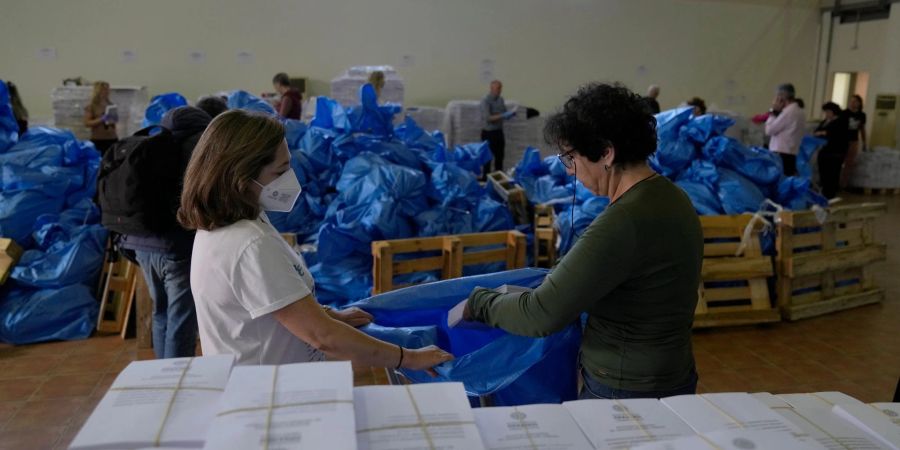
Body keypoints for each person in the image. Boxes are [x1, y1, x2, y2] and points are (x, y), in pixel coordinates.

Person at [462, 83, 704, 400]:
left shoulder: (623, 221)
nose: (571, 172)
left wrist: (479, 302)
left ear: (605, 152)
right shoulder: (673, 198)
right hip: (672, 374)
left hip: (625, 386)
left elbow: (540, 314)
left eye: (570, 158)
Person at [178, 109, 454, 370]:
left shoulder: (226, 227)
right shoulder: (251, 245)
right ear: (242, 177)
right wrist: (407, 357)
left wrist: (328, 315)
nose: (290, 178)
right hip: (265, 392)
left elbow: (272, 305)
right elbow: (323, 337)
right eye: (280, 171)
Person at [120, 106, 211, 358]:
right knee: (181, 319)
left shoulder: (151, 145)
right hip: (176, 246)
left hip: (141, 244)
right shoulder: (197, 149)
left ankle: (164, 373)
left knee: (161, 312)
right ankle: (177, 380)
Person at [764, 83, 806, 176]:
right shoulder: (800, 111)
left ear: (781, 97)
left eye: (777, 97)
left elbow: (769, 130)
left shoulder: (788, 112)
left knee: (780, 183)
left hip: (781, 154)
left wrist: (773, 111)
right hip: (791, 153)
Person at [814, 102, 849, 199]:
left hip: (835, 152)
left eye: (828, 111)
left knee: (833, 174)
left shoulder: (841, 121)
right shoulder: (825, 121)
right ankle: (824, 192)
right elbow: (817, 131)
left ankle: (830, 194)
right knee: (823, 172)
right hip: (824, 151)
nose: (826, 114)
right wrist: (822, 133)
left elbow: (833, 134)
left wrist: (824, 133)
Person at [480, 80, 516, 176]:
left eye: (500, 88)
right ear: (491, 88)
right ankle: (485, 178)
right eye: (497, 88)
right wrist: (503, 115)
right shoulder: (485, 100)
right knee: (487, 158)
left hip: (498, 131)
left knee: (500, 156)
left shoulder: (501, 100)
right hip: (488, 132)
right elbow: (488, 118)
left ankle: (498, 178)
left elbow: (503, 113)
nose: (499, 90)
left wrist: (509, 115)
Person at [83, 81, 118, 156]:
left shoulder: (111, 105)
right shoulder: (92, 107)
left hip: (112, 138)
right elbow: (87, 123)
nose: (106, 92)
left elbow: (114, 124)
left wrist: (113, 120)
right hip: (99, 139)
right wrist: (101, 119)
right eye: (104, 89)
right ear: (98, 91)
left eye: (107, 89)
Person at [843, 94, 867, 188]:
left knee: (849, 163)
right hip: (843, 140)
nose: (853, 103)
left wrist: (864, 142)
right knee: (841, 160)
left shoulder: (862, 115)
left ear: (859, 103)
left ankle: (844, 184)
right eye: (851, 101)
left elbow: (862, 129)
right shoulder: (844, 113)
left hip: (854, 140)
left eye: (855, 101)